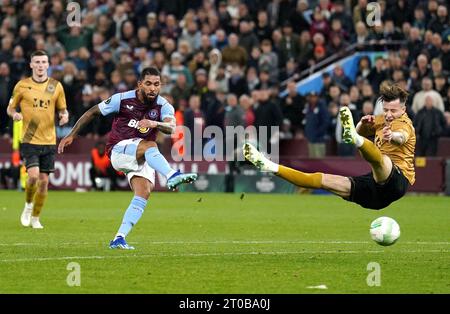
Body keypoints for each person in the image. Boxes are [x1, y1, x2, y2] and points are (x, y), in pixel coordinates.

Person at [58, 67, 198, 249]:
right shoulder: (122, 99)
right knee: (150, 144)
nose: (152, 89)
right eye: (148, 84)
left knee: (144, 192)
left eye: (156, 84)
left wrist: (154, 123)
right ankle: (171, 175)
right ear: (140, 84)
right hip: (118, 150)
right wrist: (72, 134)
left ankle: (119, 238)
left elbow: (171, 128)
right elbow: (92, 112)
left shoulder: (164, 105)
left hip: (142, 154)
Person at [244, 81, 416, 210]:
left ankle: (355, 140)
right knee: (320, 180)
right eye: (386, 110)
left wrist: (392, 136)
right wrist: (362, 125)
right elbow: (360, 131)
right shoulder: (381, 120)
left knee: (381, 160)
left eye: (393, 111)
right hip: (375, 190)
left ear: (403, 109)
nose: (389, 114)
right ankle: (269, 166)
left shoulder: (404, 124)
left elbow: (401, 137)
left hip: (397, 182)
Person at [6, 50, 69, 229]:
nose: (41, 65)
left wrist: (64, 116)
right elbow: (10, 108)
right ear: (31, 65)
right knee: (32, 177)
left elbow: (63, 109)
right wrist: (15, 114)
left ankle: (35, 217)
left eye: (43, 62)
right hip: (29, 138)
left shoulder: (55, 86)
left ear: (48, 65)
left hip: (49, 139)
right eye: (37, 62)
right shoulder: (22, 85)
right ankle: (27, 206)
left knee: (44, 183)